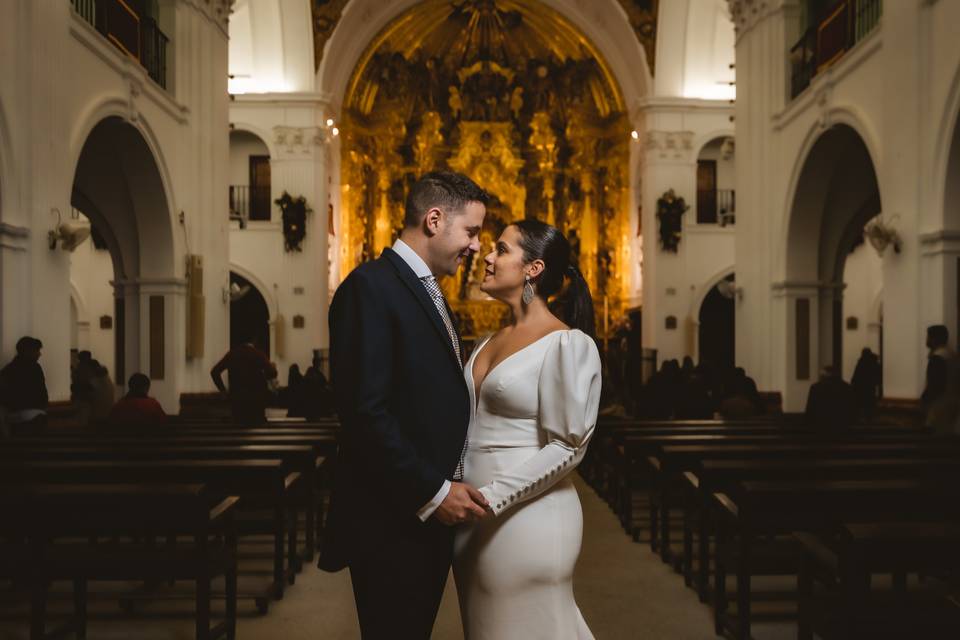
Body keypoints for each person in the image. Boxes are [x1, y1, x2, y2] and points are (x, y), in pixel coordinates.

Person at [319, 171, 490, 638]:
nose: (476, 246)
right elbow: (364, 412)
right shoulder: (371, 287)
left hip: (421, 519)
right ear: (434, 220)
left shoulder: (425, 288)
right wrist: (434, 493)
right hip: (391, 519)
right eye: (471, 231)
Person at [454, 219, 602, 639]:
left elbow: (568, 446)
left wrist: (490, 499)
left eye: (501, 250)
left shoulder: (567, 344)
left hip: (525, 516)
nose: (487, 256)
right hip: (470, 517)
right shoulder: (487, 341)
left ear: (533, 268)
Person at [210, 339, 277, 425]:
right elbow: (272, 373)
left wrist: (223, 391)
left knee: (238, 426)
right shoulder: (258, 354)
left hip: (238, 401)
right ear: (254, 341)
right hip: (256, 402)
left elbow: (214, 372)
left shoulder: (233, 354)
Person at [0, 336, 49, 431]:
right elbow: (41, 392)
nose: (39, 354)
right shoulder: (34, 369)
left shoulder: (8, 369)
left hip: (15, 413)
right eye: (37, 351)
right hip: (29, 414)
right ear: (27, 351)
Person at [921, 325, 960, 434]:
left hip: (939, 406)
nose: (926, 340)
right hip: (953, 405)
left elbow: (936, 384)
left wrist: (925, 399)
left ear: (935, 339)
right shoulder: (951, 354)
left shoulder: (938, 357)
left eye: (928, 336)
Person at [850, 347, 881, 421]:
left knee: (861, 402)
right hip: (870, 386)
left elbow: (857, 374)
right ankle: (869, 417)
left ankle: (862, 417)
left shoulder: (862, 362)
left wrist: (853, 382)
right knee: (869, 402)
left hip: (861, 385)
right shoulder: (874, 362)